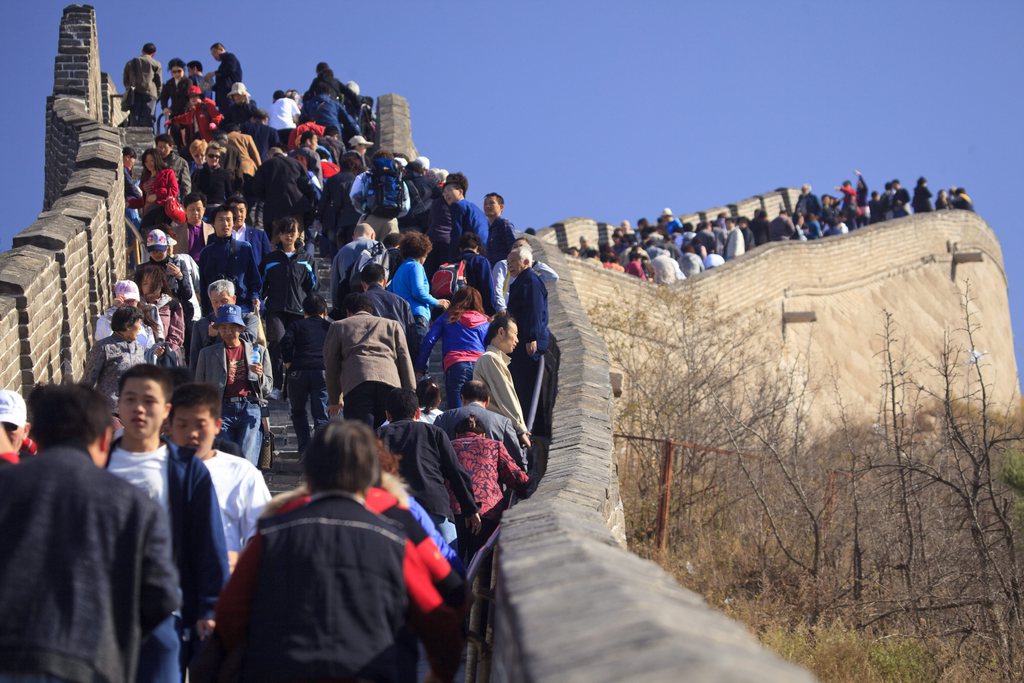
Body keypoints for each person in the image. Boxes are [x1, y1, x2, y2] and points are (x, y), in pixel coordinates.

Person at [215, 420, 464, 683]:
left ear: (310, 471)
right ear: (374, 472)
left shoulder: (272, 531)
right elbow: (436, 613)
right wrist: (441, 669)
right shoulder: (393, 537)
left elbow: (230, 611)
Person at [0, 383, 179, 683]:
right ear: (105, 439)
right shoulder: (134, 505)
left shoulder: (6, 486)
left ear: (35, 436)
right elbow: (161, 597)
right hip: (92, 662)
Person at [110, 365, 229, 681]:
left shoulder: (185, 468)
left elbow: (208, 540)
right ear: (118, 405)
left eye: (149, 400)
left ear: (165, 410)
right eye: (130, 399)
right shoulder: (100, 463)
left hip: (166, 612)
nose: (138, 408)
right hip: (104, 613)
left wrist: (209, 607)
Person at [168, 383, 270, 571]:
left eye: (200, 425)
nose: (192, 434)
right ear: (170, 426)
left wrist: (237, 560)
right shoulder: (155, 472)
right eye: (182, 425)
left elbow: (263, 536)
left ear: (217, 425)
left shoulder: (242, 473)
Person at [378, 388, 481, 552]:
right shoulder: (434, 432)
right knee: (450, 563)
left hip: (393, 512)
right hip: (434, 507)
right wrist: (470, 508)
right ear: (418, 413)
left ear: (388, 415)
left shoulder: (378, 436)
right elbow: (456, 472)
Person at [194, 304, 272, 466]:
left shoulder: (258, 351)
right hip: (221, 408)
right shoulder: (207, 354)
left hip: (249, 406)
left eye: (232, 327)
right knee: (223, 460)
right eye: (223, 328)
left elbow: (268, 387)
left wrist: (259, 375)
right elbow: (199, 387)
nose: (227, 331)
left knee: (246, 460)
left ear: (241, 329)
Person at [324, 293, 416, 428]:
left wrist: (335, 399)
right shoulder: (392, 325)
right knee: (388, 434)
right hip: (390, 383)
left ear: (348, 311)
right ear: (370, 309)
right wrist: (410, 393)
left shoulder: (339, 326)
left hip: (356, 383)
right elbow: (404, 359)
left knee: (362, 436)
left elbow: (331, 365)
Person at [450, 413, 531, 561]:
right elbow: (516, 477)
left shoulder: (447, 446)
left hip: (454, 511)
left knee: (454, 560)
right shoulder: (494, 446)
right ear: (483, 434)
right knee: (482, 560)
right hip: (487, 510)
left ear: (457, 434)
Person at [261, 216, 315, 397]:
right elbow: (262, 284)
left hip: (299, 309)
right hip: (275, 309)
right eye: (284, 232)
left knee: (297, 348)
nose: (288, 236)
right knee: (277, 344)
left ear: (298, 234)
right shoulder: (270, 259)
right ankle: (275, 385)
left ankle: (292, 386)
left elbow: (313, 286)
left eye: (292, 232)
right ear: (279, 235)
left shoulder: (306, 259)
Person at [416, 286, 490, 410]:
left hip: (456, 366)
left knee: (457, 411)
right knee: (479, 410)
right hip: (480, 365)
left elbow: (429, 340)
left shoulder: (447, 317)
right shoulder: (485, 321)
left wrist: (419, 366)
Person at [435, 379, 529, 470]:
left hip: (452, 481)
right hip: (491, 482)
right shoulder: (503, 422)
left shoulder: (443, 418)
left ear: (462, 398)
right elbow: (517, 457)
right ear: (488, 400)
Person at [280, 294, 331, 455]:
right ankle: (321, 452)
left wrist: (288, 362)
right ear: (324, 310)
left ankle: (304, 449)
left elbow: (285, 342)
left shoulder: (296, 325)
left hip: (298, 371)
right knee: (321, 415)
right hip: (322, 371)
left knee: (298, 411)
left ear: (304, 311)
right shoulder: (328, 326)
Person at [388, 232, 450, 360]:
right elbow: (418, 292)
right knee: (420, 358)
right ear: (423, 252)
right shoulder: (416, 266)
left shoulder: (401, 269)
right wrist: (438, 302)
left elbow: (390, 290)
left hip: (402, 317)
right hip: (417, 317)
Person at [474, 314, 532, 447]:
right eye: (515, 334)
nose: (517, 340)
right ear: (501, 332)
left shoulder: (493, 359)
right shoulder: (490, 358)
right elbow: (506, 396)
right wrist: (521, 429)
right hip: (496, 430)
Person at [197, 205, 262, 315]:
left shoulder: (244, 248)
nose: (226, 224)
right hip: (215, 310)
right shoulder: (206, 253)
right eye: (221, 220)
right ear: (213, 223)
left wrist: (255, 296)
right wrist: (206, 314)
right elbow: (203, 286)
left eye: (229, 220)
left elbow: (254, 277)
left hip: (241, 307)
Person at [81, 306, 147, 412]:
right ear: (127, 326)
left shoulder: (138, 347)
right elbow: (88, 380)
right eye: (138, 323)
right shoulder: (104, 347)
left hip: (135, 410)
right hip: (111, 412)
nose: (140, 327)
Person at [189, 279, 259, 369]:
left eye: (224, 301)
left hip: (242, 371)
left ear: (234, 299)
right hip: (212, 375)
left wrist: (219, 333)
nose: (219, 305)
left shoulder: (249, 319)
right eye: (215, 302)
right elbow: (195, 360)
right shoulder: (201, 325)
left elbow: (249, 340)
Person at [350, 149, 411, 240]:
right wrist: (394, 212)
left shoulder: (365, 176)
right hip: (391, 221)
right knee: (389, 251)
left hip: (369, 219)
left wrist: (365, 208)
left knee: (366, 251)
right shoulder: (398, 179)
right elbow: (406, 206)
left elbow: (354, 196)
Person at [250, 147, 317, 231]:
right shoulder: (296, 163)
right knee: (297, 237)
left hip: (275, 211)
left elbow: (257, 189)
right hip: (297, 207)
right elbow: (307, 185)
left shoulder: (265, 165)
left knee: (277, 238)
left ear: (270, 156)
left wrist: (268, 198)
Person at [492, 237, 559, 312]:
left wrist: (533, 263)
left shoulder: (530, 273)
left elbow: (553, 277)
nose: (517, 248)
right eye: (514, 246)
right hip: (506, 310)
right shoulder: (503, 264)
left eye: (521, 246)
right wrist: (502, 309)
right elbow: (497, 287)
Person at [135, 262, 185, 362]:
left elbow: (177, 334)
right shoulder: (136, 306)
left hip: (167, 357)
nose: (149, 287)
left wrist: (165, 350)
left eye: (153, 283)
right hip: (141, 357)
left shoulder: (172, 304)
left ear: (161, 284)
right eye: (145, 283)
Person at [126, 148, 179, 231]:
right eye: (146, 161)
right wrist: (130, 204)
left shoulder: (168, 173)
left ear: (157, 159)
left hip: (162, 212)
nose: (149, 164)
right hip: (148, 213)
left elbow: (174, 191)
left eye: (151, 160)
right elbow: (144, 200)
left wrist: (157, 195)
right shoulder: (145, 177)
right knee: (145, 236)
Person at [319, 153, 364, 250]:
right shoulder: (358, 180)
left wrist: (320, 217)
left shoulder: (332, 180)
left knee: (335, 248)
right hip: (355, 219)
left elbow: (324, 201)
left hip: (334, 219)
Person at [442, 172, 489, 262]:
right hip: (482, 252)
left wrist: (451, 259)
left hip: (467, 251)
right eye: (444, 193)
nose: (446, 194)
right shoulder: (476, 209)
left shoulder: (458, 205)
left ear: (460, 191)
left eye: (449, 190)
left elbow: (457, 233)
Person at [96, 279, 155, 350]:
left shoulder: (146, 328)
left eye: (132, 301)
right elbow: (101, 338)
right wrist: (113, 310)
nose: (128, 304)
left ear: (137, 301)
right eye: (125, 301)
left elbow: (150, 351)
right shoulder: (106, 319)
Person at [455, 231, 498, 315]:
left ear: (460, 248)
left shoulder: (451, 262)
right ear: (478, 248)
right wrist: (491, 312)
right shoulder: (481, 261)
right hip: (474, 310)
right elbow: (488, 288)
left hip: (453, 310)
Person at [123, 43, 162, 128]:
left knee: (135, 117)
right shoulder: (156, 64)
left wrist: (129, 89)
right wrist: (157, 94)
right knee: (149, 118)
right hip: (150, 93)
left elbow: (126, 79)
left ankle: (133, 136)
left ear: (142, 50)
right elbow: (159, 82)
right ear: (154, 53)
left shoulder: (131, 62)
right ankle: (148, 137)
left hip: (135, 92)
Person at [173, 192, 214, 262]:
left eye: (198, 209)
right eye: (192, 209)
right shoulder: (176, 231)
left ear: (204, 210)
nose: (196, 212)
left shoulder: (212, 229)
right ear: (185, 210)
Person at [484, 192, 517, 266]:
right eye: (485, 204)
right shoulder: (485, 229)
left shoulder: (504, 224)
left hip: (503, 269)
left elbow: (513, 247)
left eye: (491, 203)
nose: (487, 206)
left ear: (501, 207)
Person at [155, 133, 192, 199]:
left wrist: (184, 202)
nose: (162, 150)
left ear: (171, 147)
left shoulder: (180, 162)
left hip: (173, 199)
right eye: (160, 147)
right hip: (156, 199)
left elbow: (186, 185)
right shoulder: (153, 161)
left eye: (165, 147)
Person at [209, 43, 242, 113]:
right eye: (212, 55)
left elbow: (230, 69)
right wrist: (210, 88)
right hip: (223, 98)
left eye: (215, 53)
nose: (214, 56)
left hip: (229, 94)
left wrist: (214, 73)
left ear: (221, 49)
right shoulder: (222, 65)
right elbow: (221, 83)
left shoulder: (230, 57)